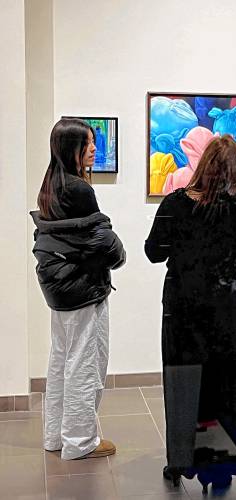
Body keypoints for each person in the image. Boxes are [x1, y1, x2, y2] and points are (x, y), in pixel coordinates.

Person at [145, 135, 236, 493]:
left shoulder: (175, 203)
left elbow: (153, 251)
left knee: (182, 383)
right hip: (224, 310)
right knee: (221, 385)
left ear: (203, 164)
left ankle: (180, 461)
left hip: (181, 308)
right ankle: (217, 469)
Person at [30, 118, 126, 460]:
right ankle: (81, 441)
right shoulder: (79, 188)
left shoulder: (50, 183)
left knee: (61, 360)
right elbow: (101, 241)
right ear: (71, 147)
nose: (94, 149)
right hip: (82, 288)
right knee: (85, 362)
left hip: (60, 289)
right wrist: (119, 252)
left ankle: (55, 436)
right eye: (88, 143)